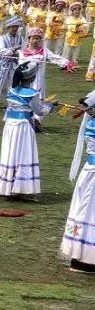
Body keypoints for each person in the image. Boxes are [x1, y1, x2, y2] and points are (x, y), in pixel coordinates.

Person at [0, 63, 54, 198]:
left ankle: (7, 185)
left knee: (10, 152)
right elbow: (40, 111)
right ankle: (20, 186)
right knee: (23, 153)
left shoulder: (12, 90)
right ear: (32, 77)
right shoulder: (32, 93)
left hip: (10, 125)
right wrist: (50, 106)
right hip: (23, 127)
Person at [63, 90, 95, 273]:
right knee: (89, 213)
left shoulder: (90, 123)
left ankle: (80, 254)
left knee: (84, 212)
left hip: (88, 172)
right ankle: (86, 258)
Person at [0, 16, 24, 108]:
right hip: (3, 65)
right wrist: (14, 50)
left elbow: (24, 50)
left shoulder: (21, 38)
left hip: (15, 65)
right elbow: (1, 51)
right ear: (9, 27)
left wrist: (16, 53)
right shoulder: (2, 38)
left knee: (13, 84)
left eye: (16, 26)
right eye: (13, 26)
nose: (14, 28)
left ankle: (11, 102)